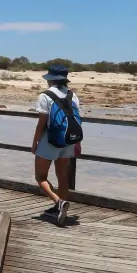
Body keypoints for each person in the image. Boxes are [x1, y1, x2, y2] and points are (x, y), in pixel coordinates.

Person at [32, 64, 81, 226]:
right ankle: (59, 206)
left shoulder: (45, 96)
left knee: (40, 177)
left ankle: (59, 202)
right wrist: (77, 143)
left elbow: (42, 124)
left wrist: (35, 142)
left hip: (50, 140)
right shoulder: (72, 95)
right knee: (62, 176)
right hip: (68, 140)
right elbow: (75, 120)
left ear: (51, 79)